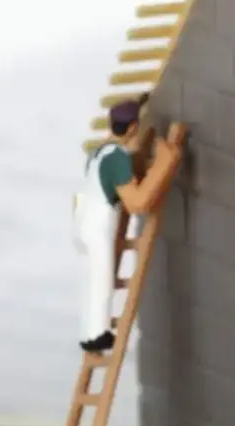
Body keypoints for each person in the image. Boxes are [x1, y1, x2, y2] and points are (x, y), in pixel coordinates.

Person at [73, 96, 182, 353]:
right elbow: (137, 204)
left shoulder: (98, 152)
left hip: (81, 222)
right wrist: (164, 164)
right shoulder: (117, 157)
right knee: (101, 279)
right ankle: (96, 335)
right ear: (133, 127)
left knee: (93, 279)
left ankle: (91, 333)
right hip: (96, 226)